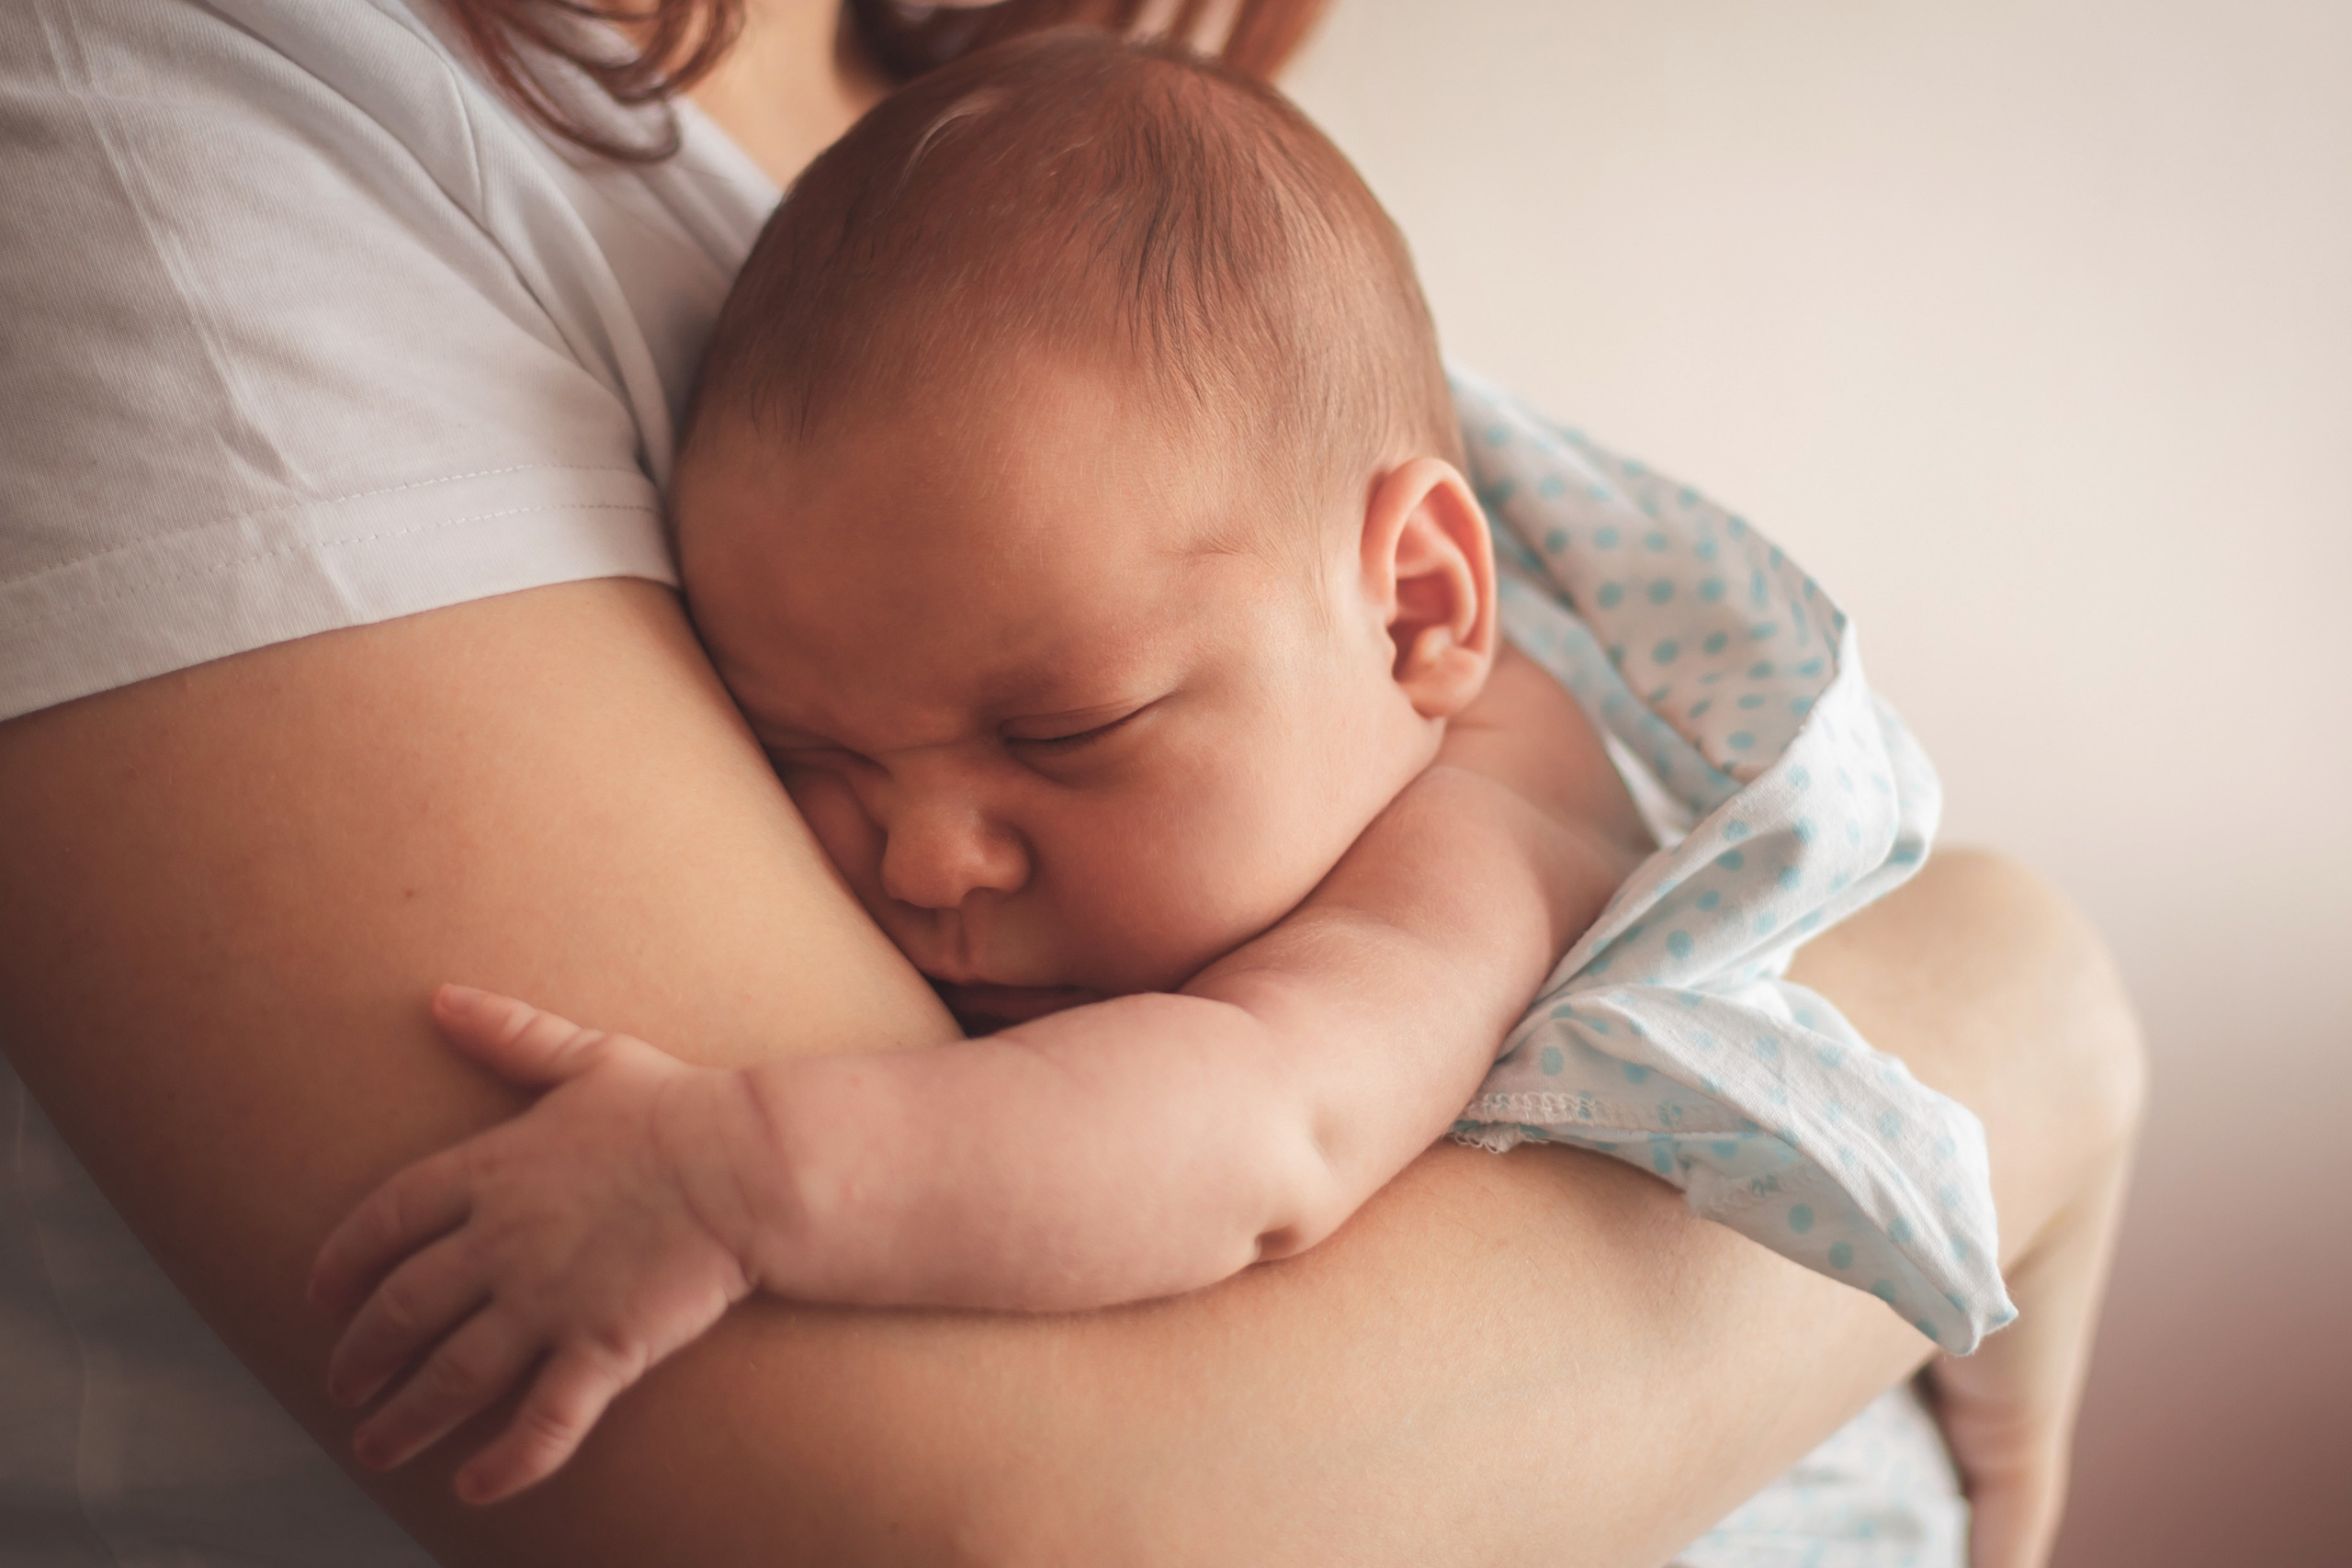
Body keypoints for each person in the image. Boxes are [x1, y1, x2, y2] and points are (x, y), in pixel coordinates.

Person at [0, 2, 2142, 1564]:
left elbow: (1256, 1134)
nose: (921, 852)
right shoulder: (169, 130)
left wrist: (743, 1173)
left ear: (1414, 605)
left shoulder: (1467, 830)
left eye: (1065, 735)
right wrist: (2008, 1016)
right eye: (806, 752)